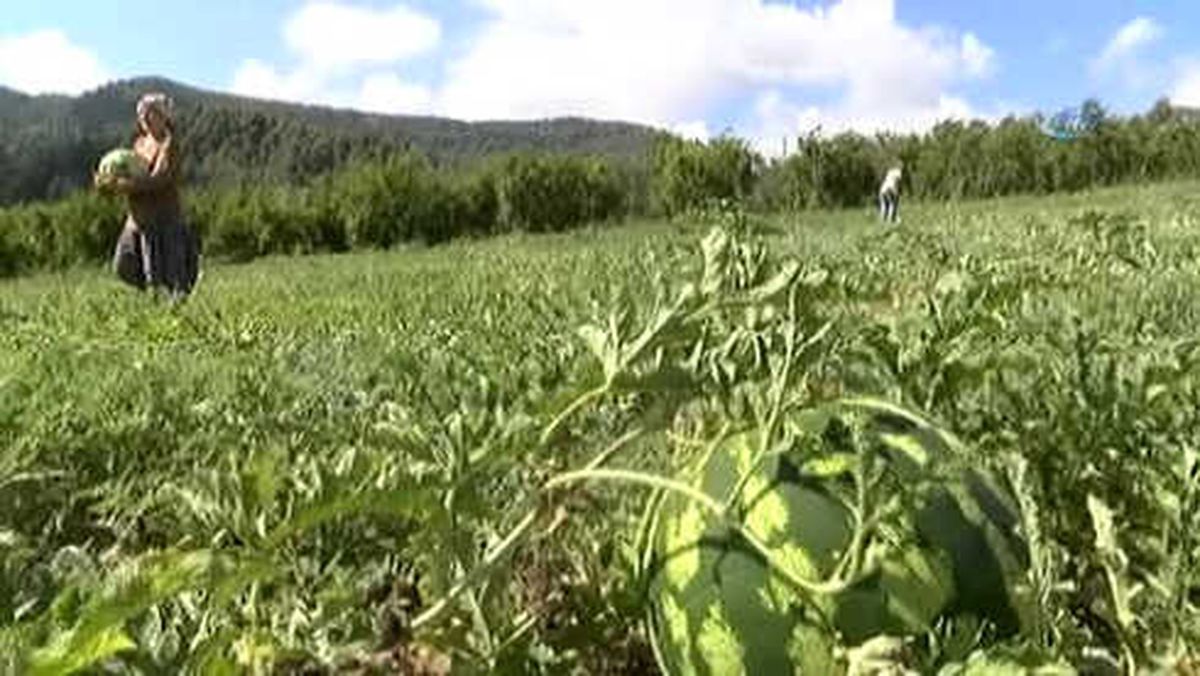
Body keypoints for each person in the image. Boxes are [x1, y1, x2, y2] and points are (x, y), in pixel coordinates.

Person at [95, 93, 199, 300]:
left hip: (162, 219)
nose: (147, 119)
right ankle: (160, 303)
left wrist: (126, 186)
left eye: (152, 114)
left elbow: (160, 179)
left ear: (163, 117)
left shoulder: (169, 145)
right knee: (124, 265)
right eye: (143, 115)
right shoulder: (140, 143)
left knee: (163, 277)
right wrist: (108, 183)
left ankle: (169, 313)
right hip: (138, 220)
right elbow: (132, 171)